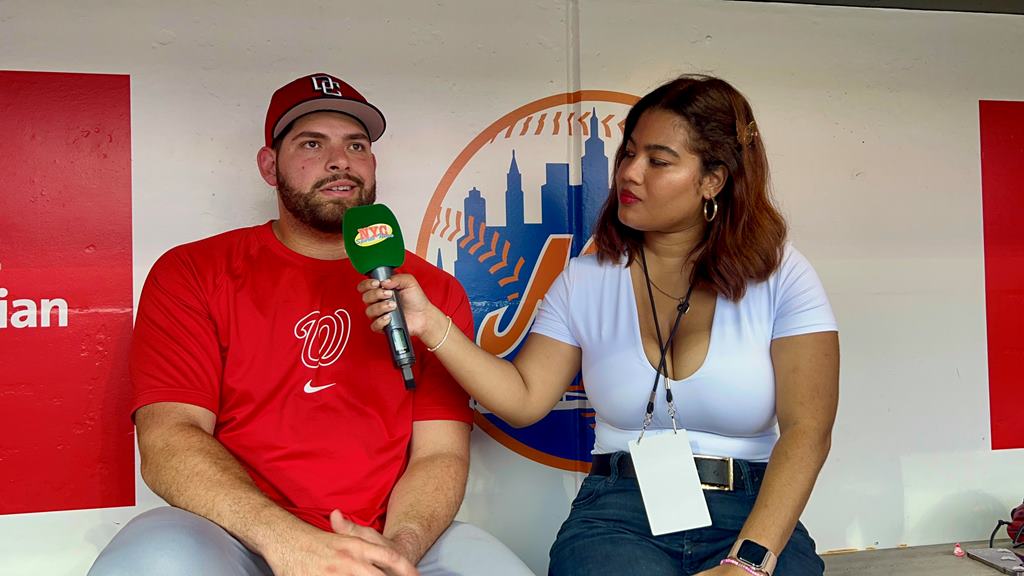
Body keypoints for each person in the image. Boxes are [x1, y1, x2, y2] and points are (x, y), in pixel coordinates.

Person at [360, 75, 839, 576]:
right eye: (628, 153)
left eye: (658, 161)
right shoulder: (585, 278)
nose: (629, 173)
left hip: (753, 512)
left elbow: (808, 431)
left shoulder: (783, 275)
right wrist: (431, 324)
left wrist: (749, 561)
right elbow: (523, 398)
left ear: (713, 180)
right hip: (618, 512)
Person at [88, 73, 534, 576]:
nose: (339, 160)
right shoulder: (193, 271)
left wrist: (396, 552)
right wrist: (291, 541)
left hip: (385, 535)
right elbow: (170, 438)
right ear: (269, 166)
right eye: (311, 143)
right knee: (154, 563)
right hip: (236, 534)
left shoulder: (427, 291)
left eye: (356, 145)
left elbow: (439, 454)